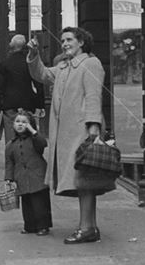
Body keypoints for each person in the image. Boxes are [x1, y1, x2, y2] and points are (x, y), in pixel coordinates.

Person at [26, 26, 106, 244]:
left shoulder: (91, 63)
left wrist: (93, 128)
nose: (65, 43)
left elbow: (93, 96)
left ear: (81, 42)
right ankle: (89, 226)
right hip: (67, 135)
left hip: (82, 131)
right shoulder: (64, 66)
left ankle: (87, 228)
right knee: (82, 181)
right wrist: (34, 55)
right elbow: (41, 74)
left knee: (84, 180)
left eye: (69, 39)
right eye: (62, 40)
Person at [4, 110, 52, 235]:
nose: (20, 124)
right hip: (21, 177)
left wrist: (33, 131)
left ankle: (43, 225)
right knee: (27, 204)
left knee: (40, 203)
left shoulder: (34, 140)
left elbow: (43, 144)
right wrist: (8, 179)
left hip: (37, 176)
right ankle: (29, 225)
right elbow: (9, 163)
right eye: (18, 122)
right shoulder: (10, 145)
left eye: (24, 122)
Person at [0, 34, 44, 145]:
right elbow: (38, 81)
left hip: (9, 103)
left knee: (10, 135)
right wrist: (40, 104)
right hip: (28, 102)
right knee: (27, 130)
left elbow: (0, 86)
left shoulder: (5, 63)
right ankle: (26, 156)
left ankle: (11, 158)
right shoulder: (30, 62)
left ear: (12, 45)